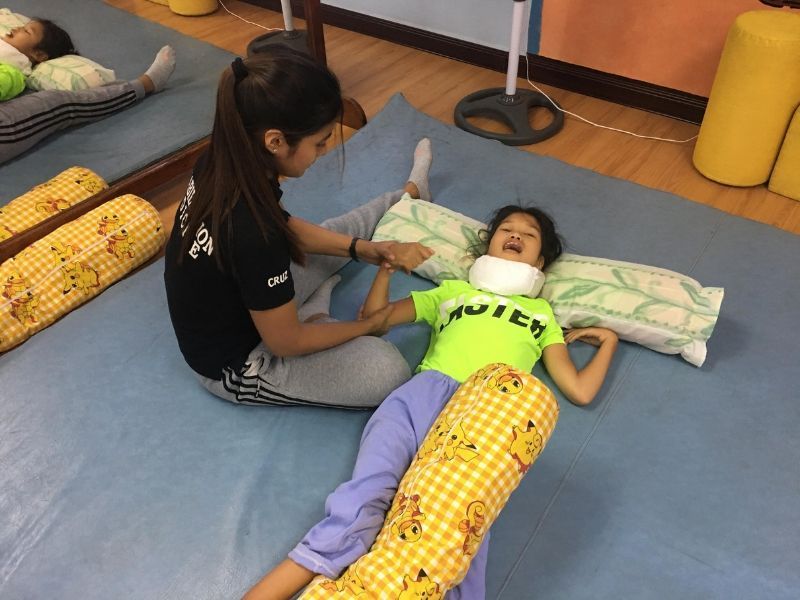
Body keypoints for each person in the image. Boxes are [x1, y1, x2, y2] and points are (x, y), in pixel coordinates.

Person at [244, 204, 619, 599]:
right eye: (506, 229)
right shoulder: (453, 293)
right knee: (364, 498)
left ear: (539, 261)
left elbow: (579, 390)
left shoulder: (541, 315)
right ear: (487, 246)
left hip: (486, 414)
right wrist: (385, 271)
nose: (516, 235)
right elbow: (377, 318)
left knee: (460, 532)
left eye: (529, 234)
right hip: (423, 396)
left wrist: (608, 343)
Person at [163, 47, 434, 410]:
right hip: (239, 360)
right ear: (275, 141)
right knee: (385, 370)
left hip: (248, 297)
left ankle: (408, 194)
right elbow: (285, 343)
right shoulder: (255, 235)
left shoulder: (222, 159)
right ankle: (314, 316)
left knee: (333, 233)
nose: (324, 150)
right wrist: (369, 326)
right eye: (320, 142)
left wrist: (362, 249)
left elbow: (281, 226)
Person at [0, 31, 176, 164]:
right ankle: (144, 84)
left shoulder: (14, 69)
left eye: (27, 31)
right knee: (56, 102)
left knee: (56, 101)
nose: (13, 30)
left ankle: (142, 85)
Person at [1, 18, 75, 101]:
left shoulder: (12, 73)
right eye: (22, 27)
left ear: (39, 54)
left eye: (26, 31)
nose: (16, 28)